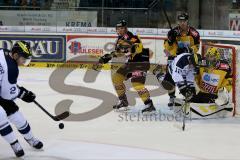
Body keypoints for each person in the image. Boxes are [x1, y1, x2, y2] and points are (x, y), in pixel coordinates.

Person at [98, 20, 156, 113]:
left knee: (136, 83)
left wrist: (130, 48)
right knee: (116, 78)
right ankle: (123, 101)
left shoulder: (132, 37)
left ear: (126, 28)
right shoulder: (119, 40)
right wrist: (108, 57)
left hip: (140, 62)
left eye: (122, 28)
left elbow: (138, 48)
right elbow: (119, 53)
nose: (120, 30)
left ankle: (149, 104)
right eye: (118, 28)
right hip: (131, 63)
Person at [0, 41, 43, 157]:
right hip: (2, 92)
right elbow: (7, 95)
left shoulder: (4, 53)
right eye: (24, 58)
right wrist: (23, 94)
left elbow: (6, 88)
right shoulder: (12, 68)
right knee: (0, 117)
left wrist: (21, 92)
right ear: (15, 55)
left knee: (17, 116)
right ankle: (14, 144)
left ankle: (31, 139)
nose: (24, 61)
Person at [161, 12, 200, 108]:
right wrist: (170, 40)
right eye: (180, 21)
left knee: (189, 78)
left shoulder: (194, 33)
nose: (182, 23)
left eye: (184, 21)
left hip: (187, 59)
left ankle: (190, 94)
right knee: (170, 79)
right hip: (174, 58)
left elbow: (197, 46)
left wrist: (189, 49)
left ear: (187, 21)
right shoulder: (173, 31)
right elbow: (167, 48)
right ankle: (172, 97)